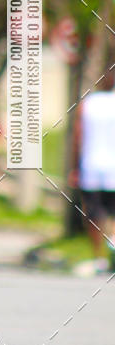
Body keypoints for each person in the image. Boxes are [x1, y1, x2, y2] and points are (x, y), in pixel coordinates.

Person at [71, 69, 115, 273]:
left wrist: (74, 167)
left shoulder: (88, 103)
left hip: (91, 166)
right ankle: (110, 251)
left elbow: (78, 137)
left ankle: (99, 257)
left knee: (94, 215)